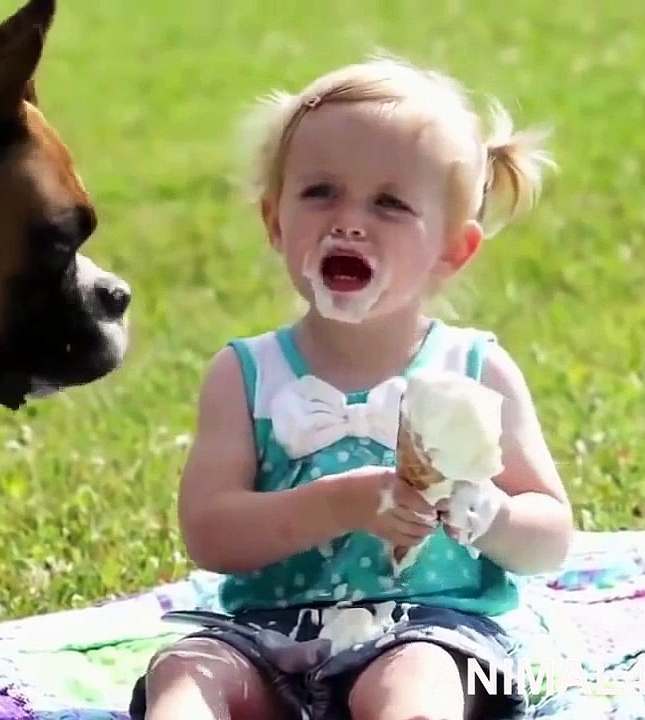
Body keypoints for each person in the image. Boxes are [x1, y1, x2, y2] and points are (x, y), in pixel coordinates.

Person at [129, 54, 573, 720]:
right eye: (320, 193)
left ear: (454, 251)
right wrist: (338, 504)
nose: (349, 222)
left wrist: (488, 514)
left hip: (432, 630)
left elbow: (551, 534)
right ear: (274, 220)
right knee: (184, 671)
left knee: (413, 690)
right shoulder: (245, 376)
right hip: (265, 637)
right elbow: (210, 535)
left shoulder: (474, 370)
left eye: (390, 203)